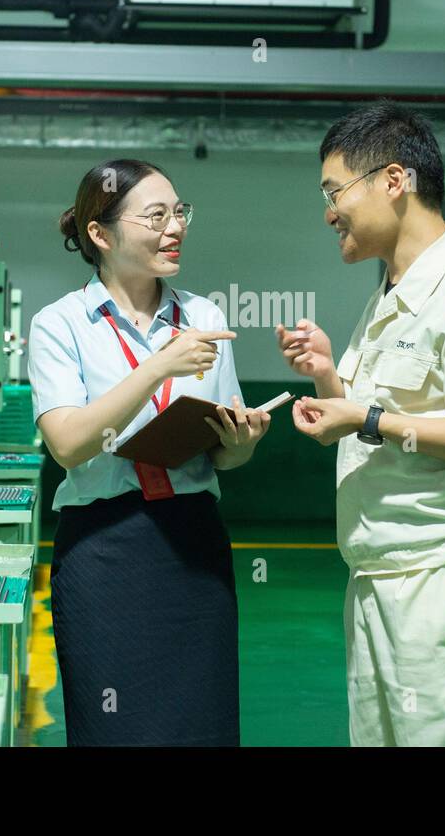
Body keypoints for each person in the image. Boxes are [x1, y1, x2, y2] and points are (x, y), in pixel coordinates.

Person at [275, 101, 445, 747]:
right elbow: (374, 425)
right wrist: (328, 378)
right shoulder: (390, 296)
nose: (328, 213)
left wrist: (365, 415)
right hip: (378, 576)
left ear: (394, 181)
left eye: (335, 192)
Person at [28, 158, 271, 746]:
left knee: (202, 725)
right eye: (156, 216)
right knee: (112, 727)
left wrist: (241, 443)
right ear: (100, 233)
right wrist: (158, 367)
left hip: (193, 544)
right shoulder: (60, 324)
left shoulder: (204, 317)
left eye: (180, 213)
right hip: (104, 548)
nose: (175, 227)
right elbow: (68, 444)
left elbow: (221, 458)